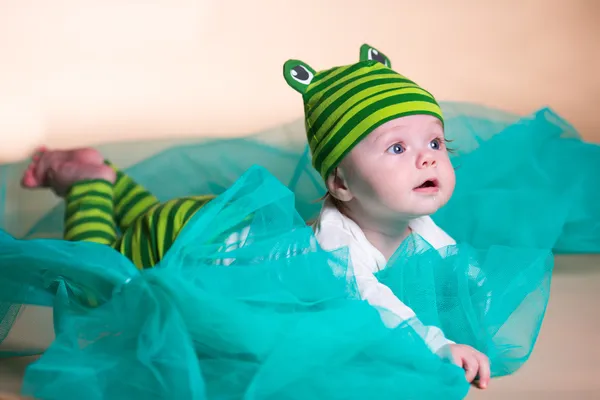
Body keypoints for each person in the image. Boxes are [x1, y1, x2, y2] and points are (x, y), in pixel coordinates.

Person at [20, 44, 492, 390]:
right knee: (97, 276)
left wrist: (478, 285)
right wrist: (437, 345)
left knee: (151, 214)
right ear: (342, 184)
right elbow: (377, 302)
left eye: (435, 143)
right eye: (396, 147)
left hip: (215, 226)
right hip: (183, 250)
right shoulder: (337, 242)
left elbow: (451, 258)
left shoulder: (417, 224)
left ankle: (107, 175)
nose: (428, 159)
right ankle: (90, 184)